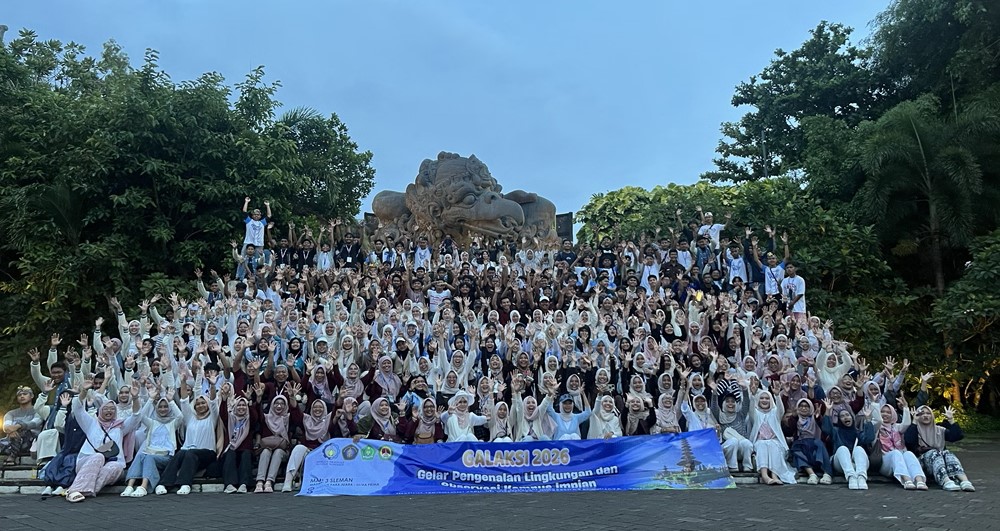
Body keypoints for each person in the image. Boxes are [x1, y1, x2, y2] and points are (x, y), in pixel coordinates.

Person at [121, 387, 182, 498]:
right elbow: (141, 415)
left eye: (165, 407)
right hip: (151, 452)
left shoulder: (173, 423)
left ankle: (143, 487)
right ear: (156, 409)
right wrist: (150, 399)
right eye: (160, 407)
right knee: (141, 455)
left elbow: (180, 416)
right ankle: (130, 486)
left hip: (166, 457)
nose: (163, 409)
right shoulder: (152, 423)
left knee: (148, 457)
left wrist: (171, 401)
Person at [906, 404, 974, 491]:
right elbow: (909, 441)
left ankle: (964, 481)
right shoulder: (914, 429)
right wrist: (914, 421)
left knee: (947, 453)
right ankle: (946, 481)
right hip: (922, 465)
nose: (925, 416)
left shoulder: (940, 430)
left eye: (928, 413)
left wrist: (951, 420)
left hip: (941, 461)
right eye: (922, 413)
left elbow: (957, 436)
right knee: (933, 453)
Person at [873, 399, 926, 490]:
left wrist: (905, 407)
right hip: (885, 463)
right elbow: (877, 420)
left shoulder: (896, 427)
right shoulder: (876, 427)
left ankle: (919, 480)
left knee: (908, 453)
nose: (885, 414)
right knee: (895, 453)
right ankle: (906, 480)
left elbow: (906, 423)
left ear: (893, 415)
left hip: (902, 461)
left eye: (888, 412)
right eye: (882, 412)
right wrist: (874, 403)